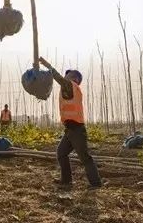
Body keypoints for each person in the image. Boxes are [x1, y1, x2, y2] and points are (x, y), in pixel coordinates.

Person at [38, 56, 103, 189]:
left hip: (77, 130)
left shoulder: (71, 86)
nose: (65, 76)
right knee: (61, 153)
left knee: (85, 158)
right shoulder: (68, 89)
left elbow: (58, 78)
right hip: (70, 130)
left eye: (68, 75)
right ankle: (66, 180)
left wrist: (47, 65)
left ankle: (96, 184)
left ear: (75, 79)